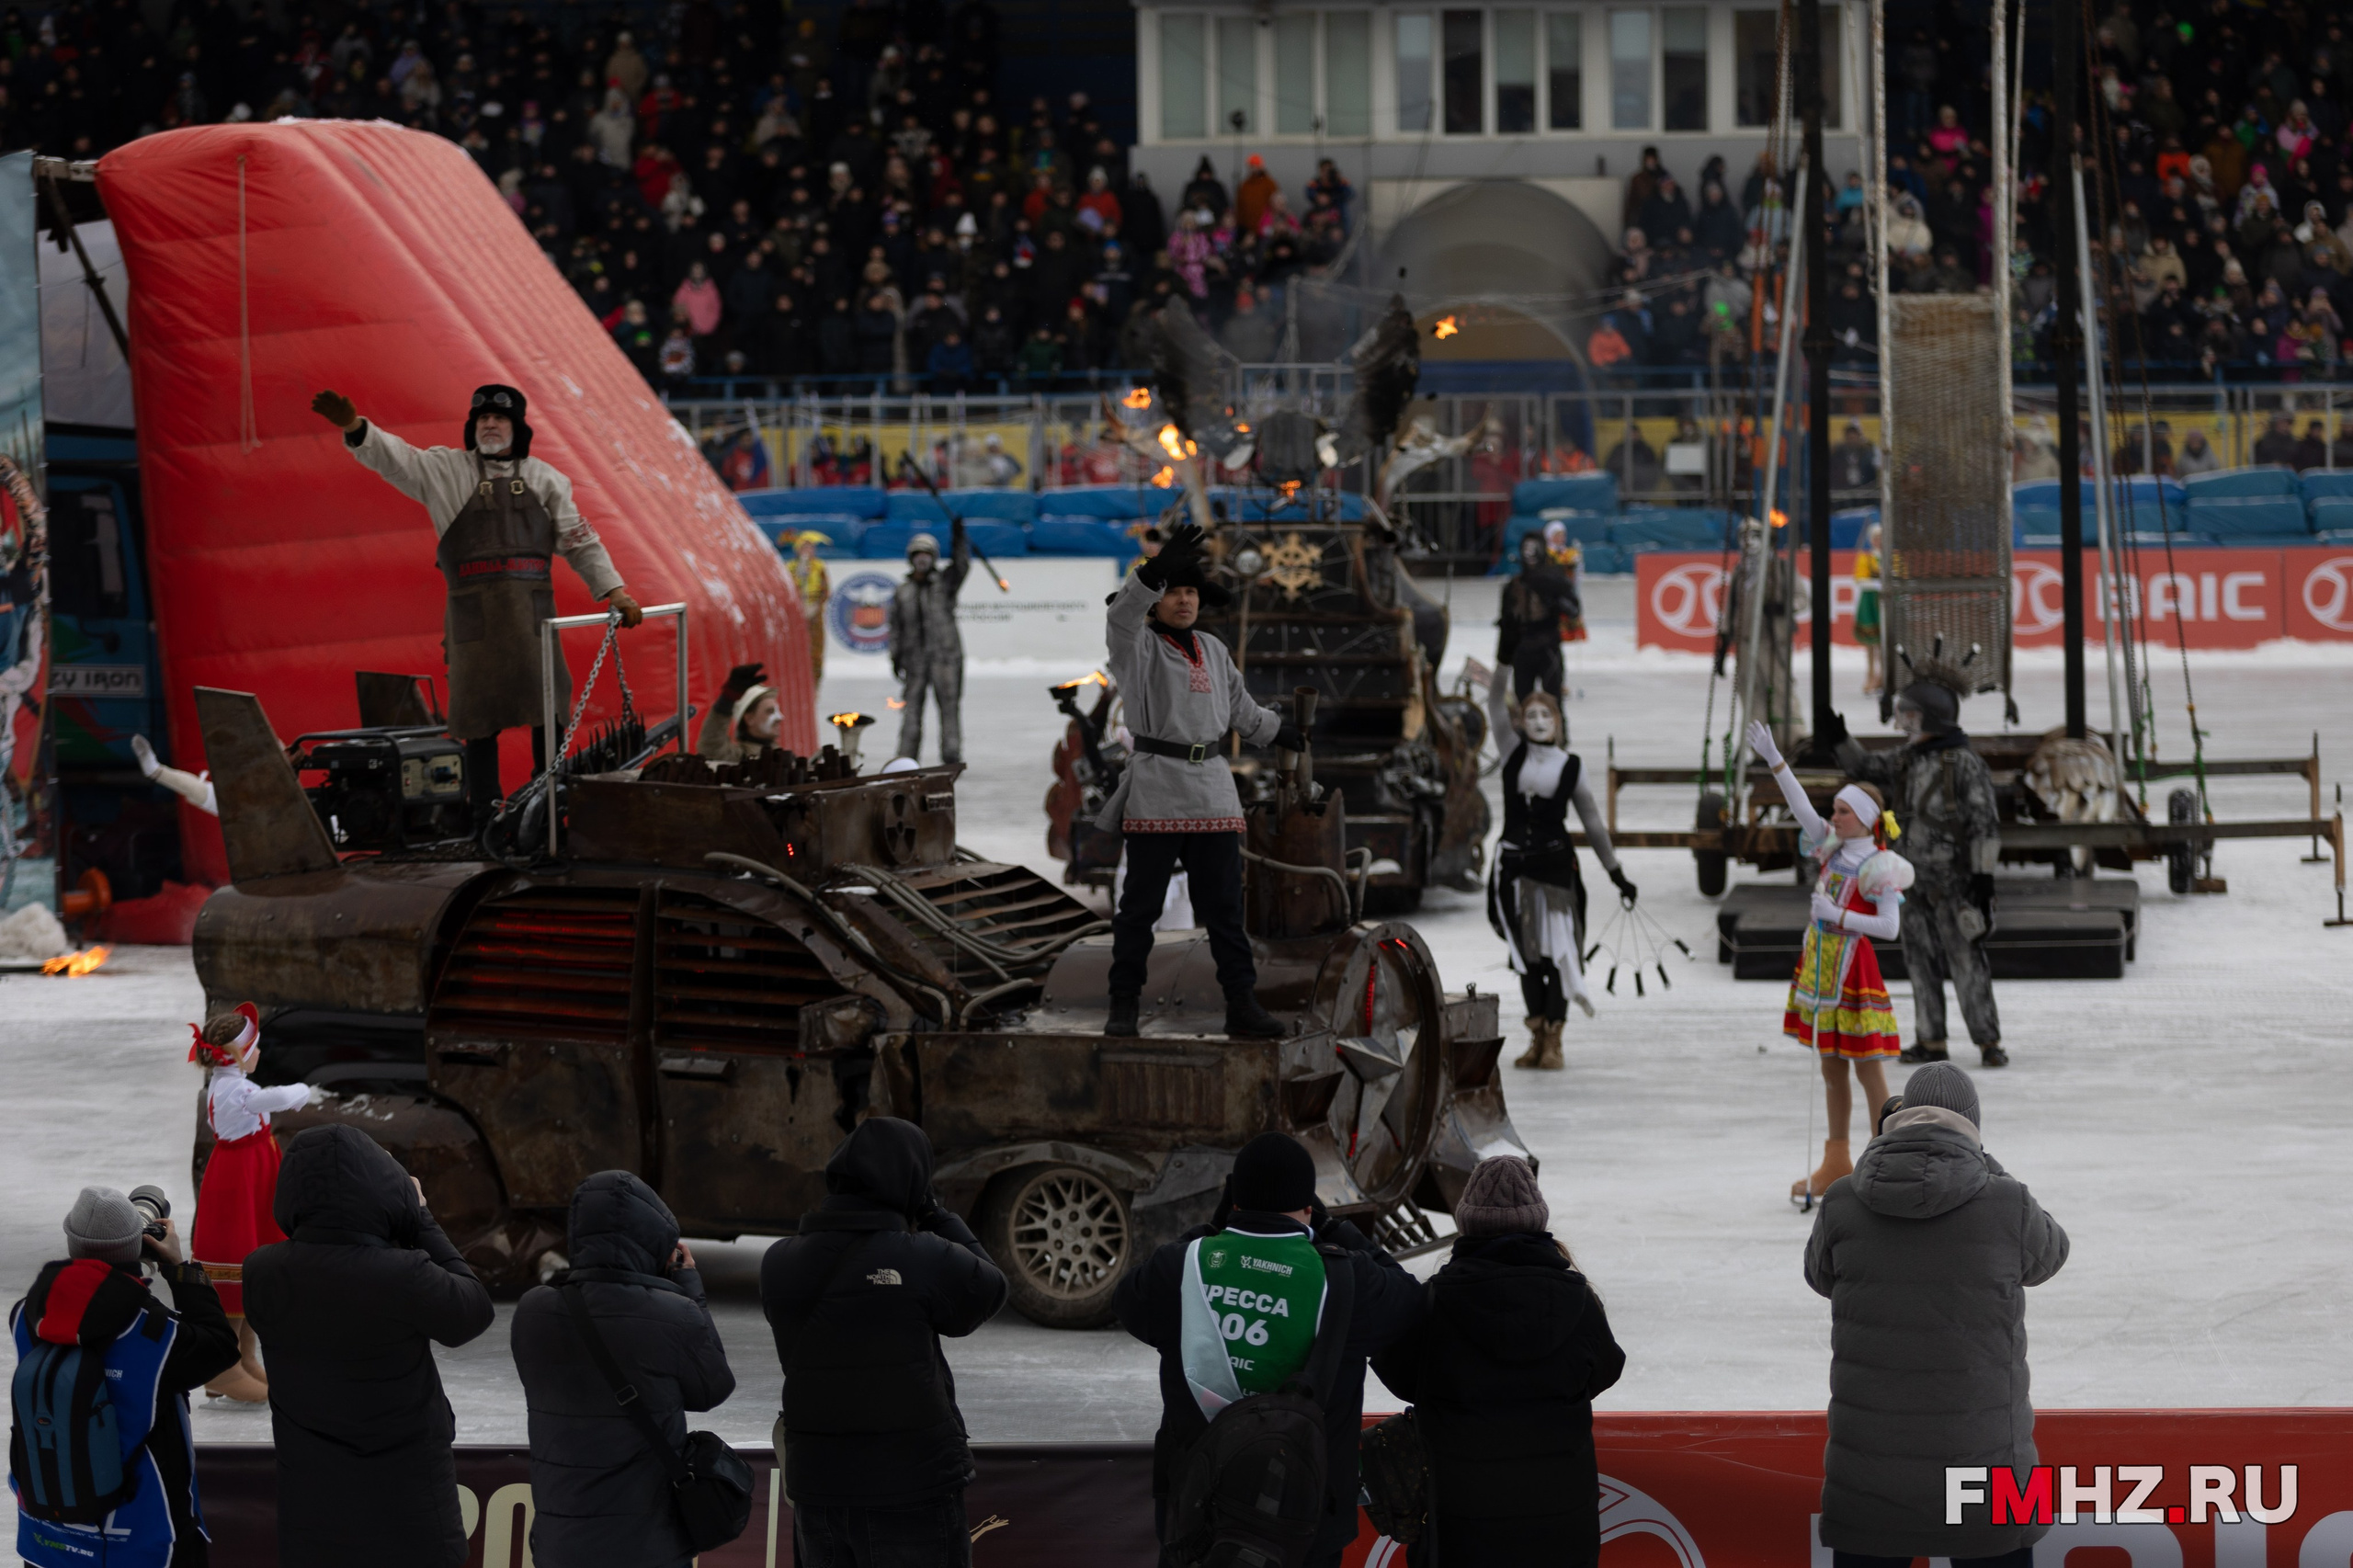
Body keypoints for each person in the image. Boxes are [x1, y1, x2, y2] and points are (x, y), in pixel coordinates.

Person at [312, 385, 644, 826]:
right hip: (472, 619)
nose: (490, 424)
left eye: (500, 418)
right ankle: (486, 815)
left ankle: (546, 808)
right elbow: (396, 458)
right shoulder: (442, 470)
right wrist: (356, 428)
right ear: (472, 426)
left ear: (518, 427)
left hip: (534, 618)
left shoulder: (548, 479)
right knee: (477, 719)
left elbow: (581, 541)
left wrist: (615, 591)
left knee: (550, 712)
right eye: (482, 418)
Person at [1114, 1132, 1427, 1568]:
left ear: (1235, 1202)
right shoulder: (1348, 1278)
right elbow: (1413, 1302)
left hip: (1196, 1519)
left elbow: (1127, 1299)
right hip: (1308, 1523)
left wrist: (1213, 1229)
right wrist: (1339, 1231)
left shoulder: (1178, 1268)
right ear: (1307, 1208)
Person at [1805, 1062, 2068, 1565]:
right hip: (1988, 1470)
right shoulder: (2006, 1201)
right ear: (1972, 1126)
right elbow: (2050, 1255)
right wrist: (1985, 1162)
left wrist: (1876, 1158)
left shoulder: (1843, 1199)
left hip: (1869, 1470)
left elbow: (1820, 1276)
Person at [244, 1125, 496, 1568]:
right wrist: (419, 1217)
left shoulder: (262, 1272)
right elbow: (472, 1312)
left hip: (312, 1510)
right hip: (410, 1507)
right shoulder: (402, 1276)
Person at [761, 1119, 1006, 1568]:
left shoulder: (778, 1261)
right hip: (912, 1484)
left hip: (818, 1487)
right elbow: (990, 1288)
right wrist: (934, 1213)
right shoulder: (922, 1256)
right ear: (914, 1182)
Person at [1095, 523, 1303, 1040]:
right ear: (1157, 601)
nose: (1184, 600)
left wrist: (1281, 731)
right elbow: (1120, 612)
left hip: (1212, 787)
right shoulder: (1135, 645)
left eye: (1191, 591)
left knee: (1226, 912)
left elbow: (1241, 710)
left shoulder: (1211, 648)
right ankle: (1124, 1004)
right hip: (1157, 787)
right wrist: (1156, 569)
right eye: (1174, 591)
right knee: (1139, 909)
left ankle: (1241, 1004)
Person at [1370, 1157, 1624, 1566]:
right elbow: (1607, 1369)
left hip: (1460, 1529)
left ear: (1468, 1226)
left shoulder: (1434, 1305)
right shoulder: (1579, 1302)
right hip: (1561, 1529)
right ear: (1537, 1223)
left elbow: (1398, 1373)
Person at [510, 1171, 734, 1568]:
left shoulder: (533, 1311)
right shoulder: (674, 1315)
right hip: (648, 1546)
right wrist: (689, 1288)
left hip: (560, 1544)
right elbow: (712, 1388)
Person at [9, 1188, 240, 1568]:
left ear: (71, 1243)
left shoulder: (26, 1317)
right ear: (137, 1247)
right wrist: (178, 1267)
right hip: (142, 1537)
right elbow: (220, 1347)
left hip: (47, 1535)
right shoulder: (155, 1334)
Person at [1750, 721, 1915, 1202]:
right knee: (1831, 1067)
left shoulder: (1877, 866)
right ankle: (1837, 1159)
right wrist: (1776, 760)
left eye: (1843, 811)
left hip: (1853, 971)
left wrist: (1837, 914)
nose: (1834, 816)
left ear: (1864, 820)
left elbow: (1889, 928)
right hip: (1822, 968)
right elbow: (1800, 807)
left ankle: (1883, 1158)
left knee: (1868, 1069)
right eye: (1835, 809)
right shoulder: (1834, 848)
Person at [1831, 681, 2006, 1067]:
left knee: (1966, 960)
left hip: (1954, 882)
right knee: (1919, 960)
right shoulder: (1907, 759)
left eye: (1910, 713)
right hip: (1908, 880)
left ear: (1930, 718)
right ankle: (1931, 1039)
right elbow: (1865, 769)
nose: (1903, 720)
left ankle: (1988, 1040)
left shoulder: (1963, 763)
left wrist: (1983, 877)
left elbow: (1984, 822)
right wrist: (1841, 739)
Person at [1486, 686, 1634, 1068]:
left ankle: (1555, 1039)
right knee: (1525, 958)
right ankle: (1536, 1036)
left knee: (1559, 956)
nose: (1538, 722)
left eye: (1545, 716)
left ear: (1558, 722)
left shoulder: (1571, 766)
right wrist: (1506, 652)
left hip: (1555, 876)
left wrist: (1616, 874)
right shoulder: (1511, 754)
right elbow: (1493, 702)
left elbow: (1593, 824)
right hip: (1515, 873)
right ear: (1520, 722)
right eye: (1531, 715)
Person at [188, 1004, 317, 1403]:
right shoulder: (237, 1090)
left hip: (249, 1172)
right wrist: (303, 1090)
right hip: (240, 1177)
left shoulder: (228, 1085)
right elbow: (275, 1099)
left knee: (252, 1256)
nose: (261, 1052)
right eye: (256, 1046)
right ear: (239, 1053)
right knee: (238, 1256)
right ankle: (221, 1369)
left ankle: (244, 1355)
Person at [889, 521, 971, 765]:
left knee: (949, 708)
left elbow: (962, 566)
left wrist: (958, 539)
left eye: (927, 554)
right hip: (915, 661)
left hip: (945, 658)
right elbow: (896, 629)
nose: (922, 559)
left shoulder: (945, 584)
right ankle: (906, 756)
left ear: (934, 558)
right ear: (911, 559)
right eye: (918, 555)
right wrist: (895, 657)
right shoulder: (903, 592)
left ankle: (951, 754)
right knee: (911, 710)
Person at [1495, 531, 1581, 699]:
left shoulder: (1555, 580)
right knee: (1523, 704)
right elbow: (1506, 625)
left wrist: (1553, 601)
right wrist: (1502, 661)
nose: (1530, 555)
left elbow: (1574, 610)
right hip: (1522, 650)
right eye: (1526, 550)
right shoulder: (1513, 586)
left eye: (1534, 550)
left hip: (1547, 647)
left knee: (1553, 702)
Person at [698, 662, 782, 765]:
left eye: (778, 711)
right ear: (749, 719)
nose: (780, 717)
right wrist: (728, 698)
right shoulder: (737, 757)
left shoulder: (782, 755)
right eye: (770, 711)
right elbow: (711, 744)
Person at [788, 530, 833, 686]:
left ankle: (815, 683)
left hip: (814, 612)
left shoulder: (819, 567)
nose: (808, 551)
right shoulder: (791, 567)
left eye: (811, 547)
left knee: (815, 648)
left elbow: (826, 590)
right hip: (796, 614)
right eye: (805, 547)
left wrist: (816, 606)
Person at [1852, 523, 1883, 697]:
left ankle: (1885, 676)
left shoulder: (1893, 558)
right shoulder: (1866, 558)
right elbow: (1860, 579)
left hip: (1886, 603)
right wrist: (1878, 584)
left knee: (1885, 643)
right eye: (1876, 538)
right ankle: (1871, 675)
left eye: (1881, 538)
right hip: (1870, 602)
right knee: (1871, 643)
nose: (1879, 541)